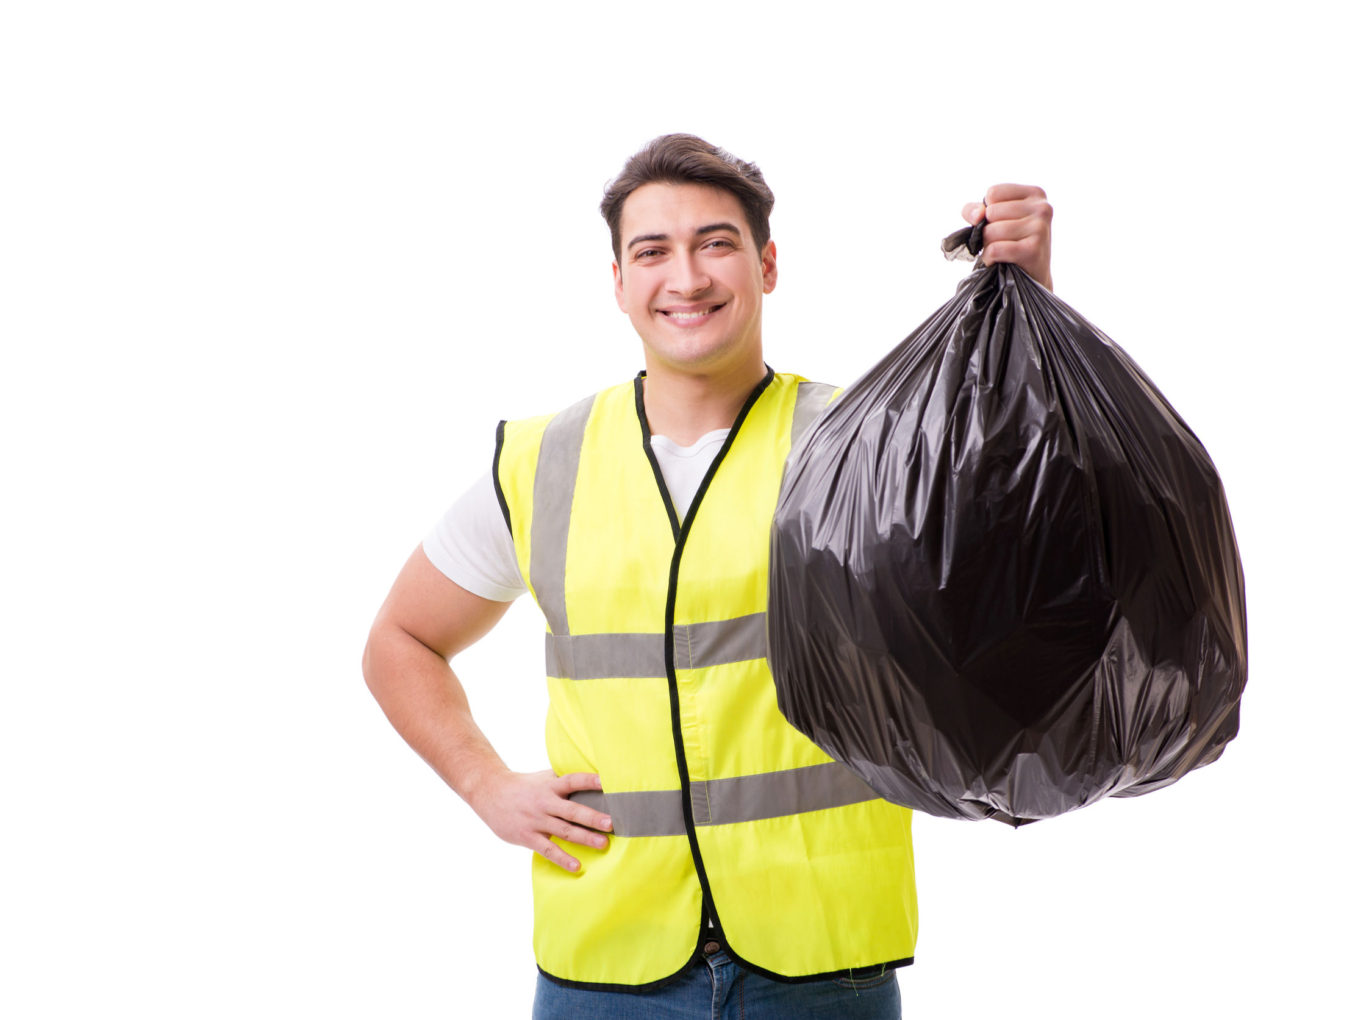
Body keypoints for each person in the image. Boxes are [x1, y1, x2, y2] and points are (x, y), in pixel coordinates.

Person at [362, 134, 1054, 1019]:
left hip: (820, 960)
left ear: (767, 265)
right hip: (606, 964)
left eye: (715, 243)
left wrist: (1025, 298)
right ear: (617, 281)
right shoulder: (543, 463)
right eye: (652, 250)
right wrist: (483, 783)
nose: (684, 276)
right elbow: (400, 640)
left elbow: (1027, 526)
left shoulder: (861, 443)